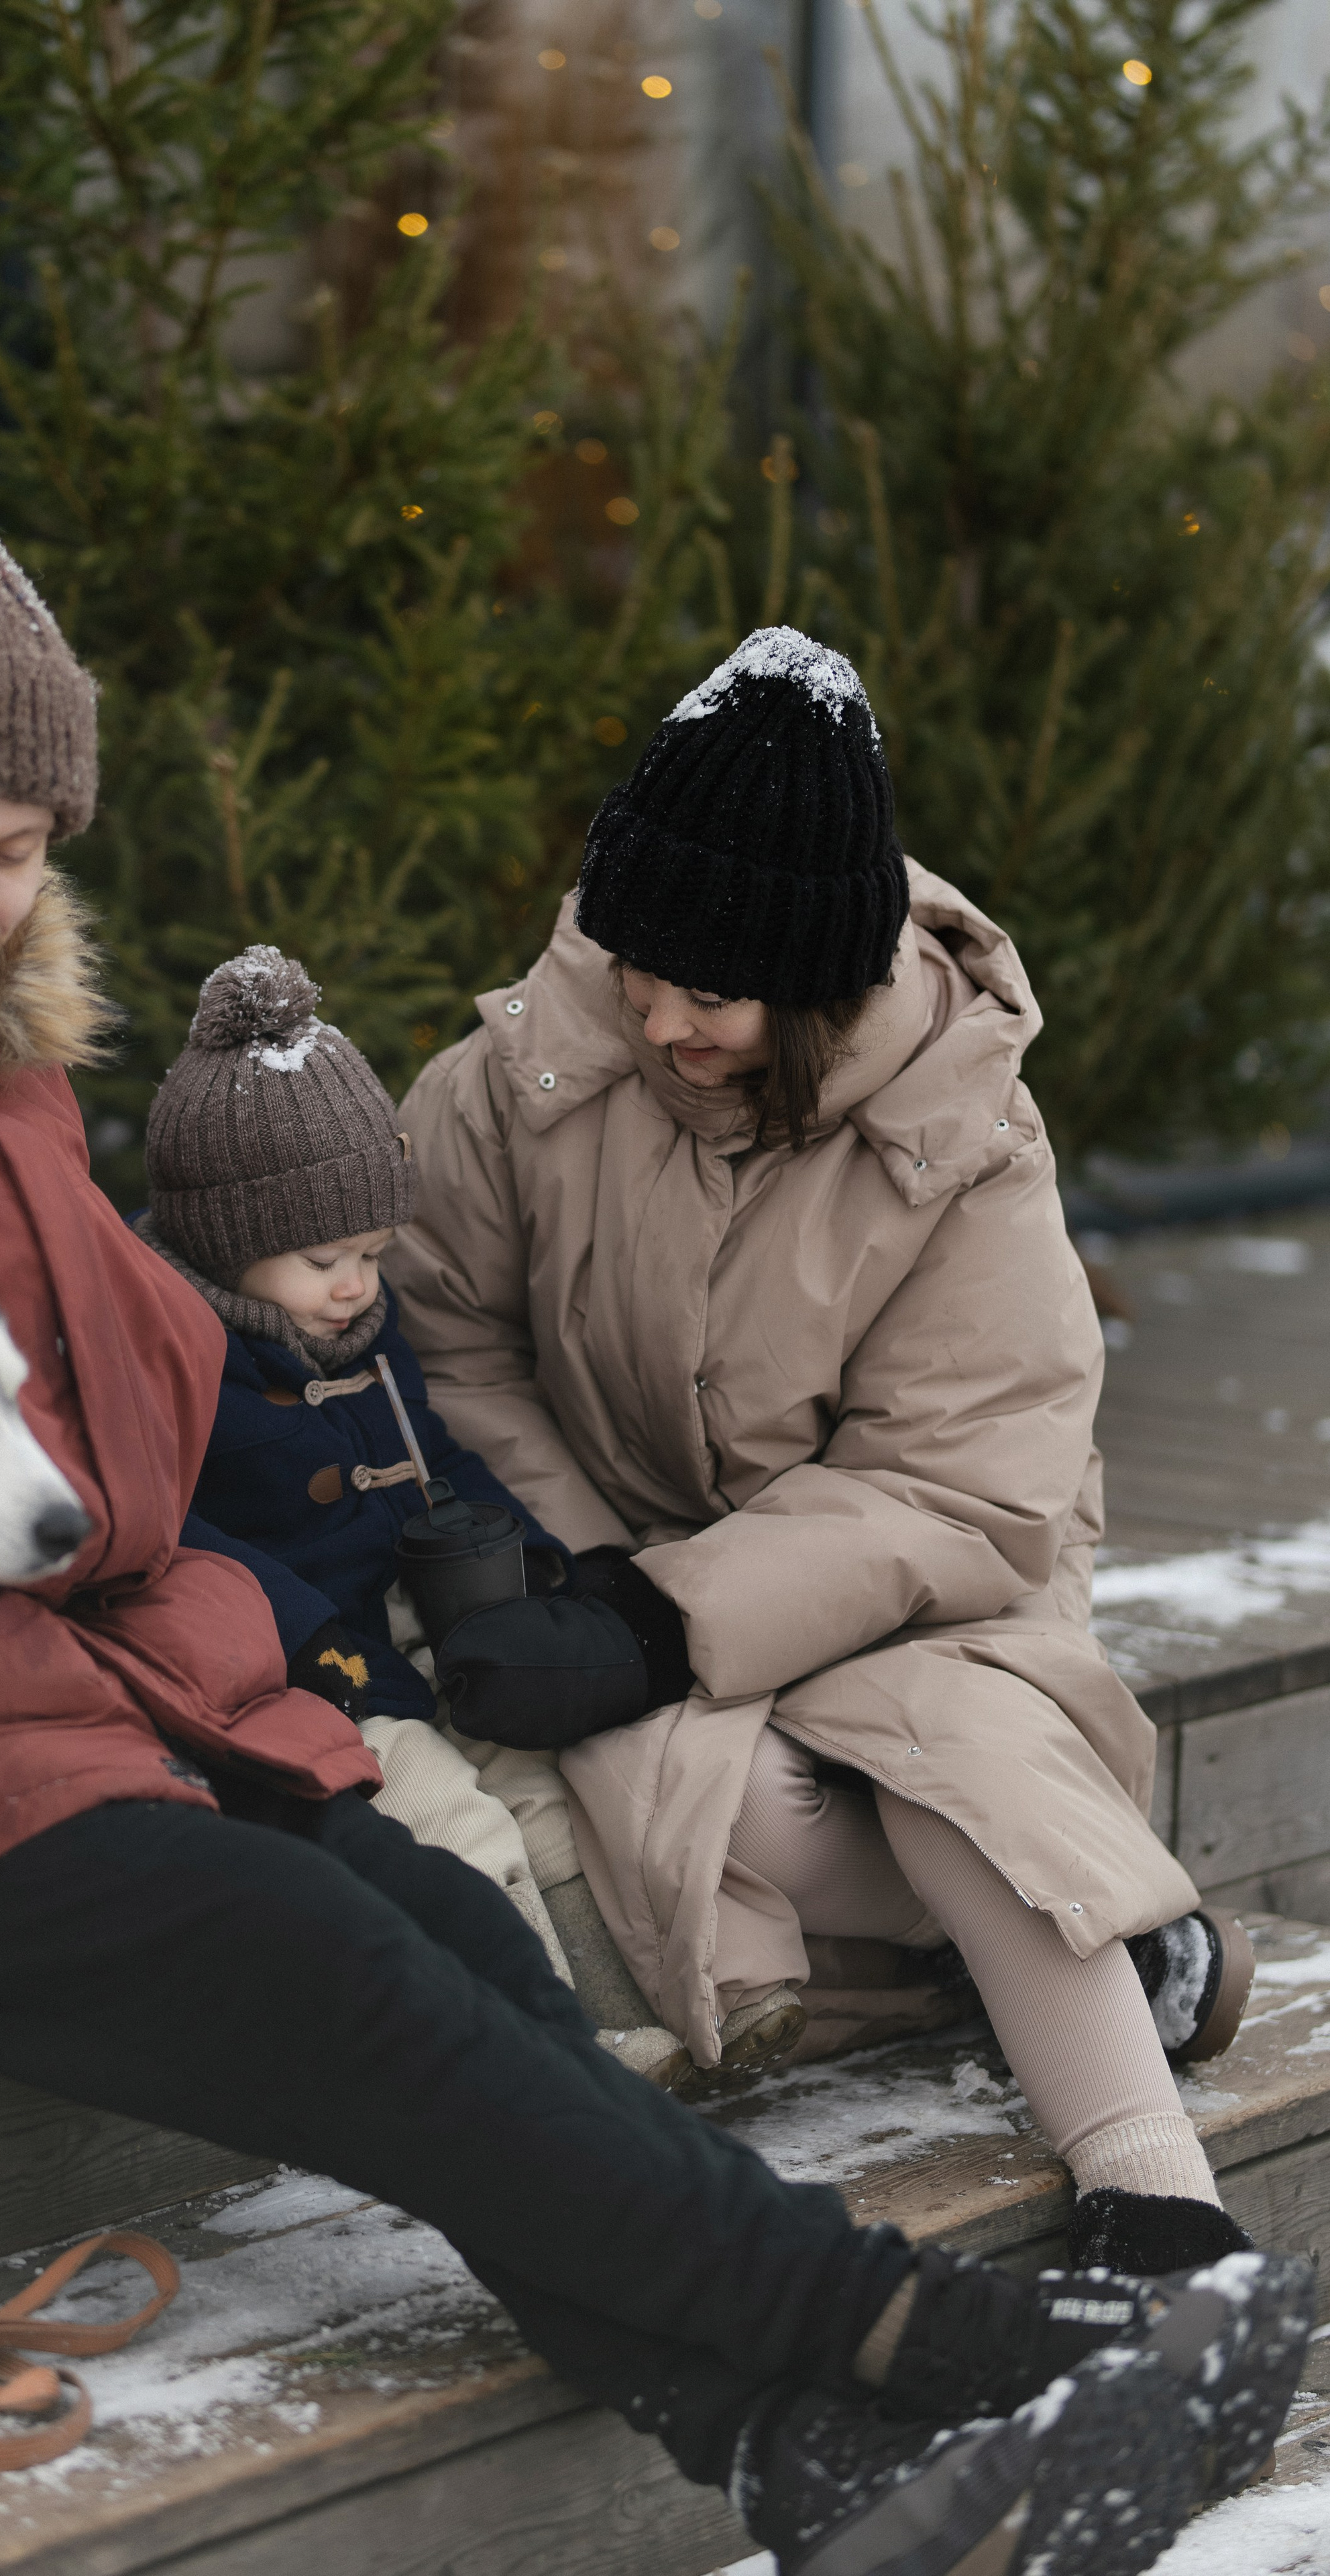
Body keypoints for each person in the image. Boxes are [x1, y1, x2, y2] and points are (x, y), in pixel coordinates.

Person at [0, 494, 1303, 2576]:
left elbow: (122, 1451)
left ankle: (792, 2464)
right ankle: (906, 2335)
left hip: (120, 1693)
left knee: (472, 1936)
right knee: (349, 1977)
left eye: (15, 850)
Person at [387, 623, 1257, 2286]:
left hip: (924, 1587)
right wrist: (580, 1574)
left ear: (811, 981)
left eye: (705, 990)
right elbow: (455, 1332)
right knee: (742, 1794)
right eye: (634, 967)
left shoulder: (963, 1138)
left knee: (928, 1739)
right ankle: (1094, 1941)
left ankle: (1159, 2207)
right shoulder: (524, 1076)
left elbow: (955, 1484)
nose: (655, 1018)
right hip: (623, 1548)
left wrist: (655, 1624)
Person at [134, 941, 689, 2078]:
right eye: (323, 1257)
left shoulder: (366, 1340)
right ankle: (547, 2049)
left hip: (432, 1630)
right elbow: (187, 1541)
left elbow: (434, 1461)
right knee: (457, 1821)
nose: (356, 1284)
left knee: (542, 1789)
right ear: (225, 1248)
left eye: (376, 1254)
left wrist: (532, 1565)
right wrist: (323, 1654)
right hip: (317, 1680)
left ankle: (628, 2010)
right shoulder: (185, 1362)